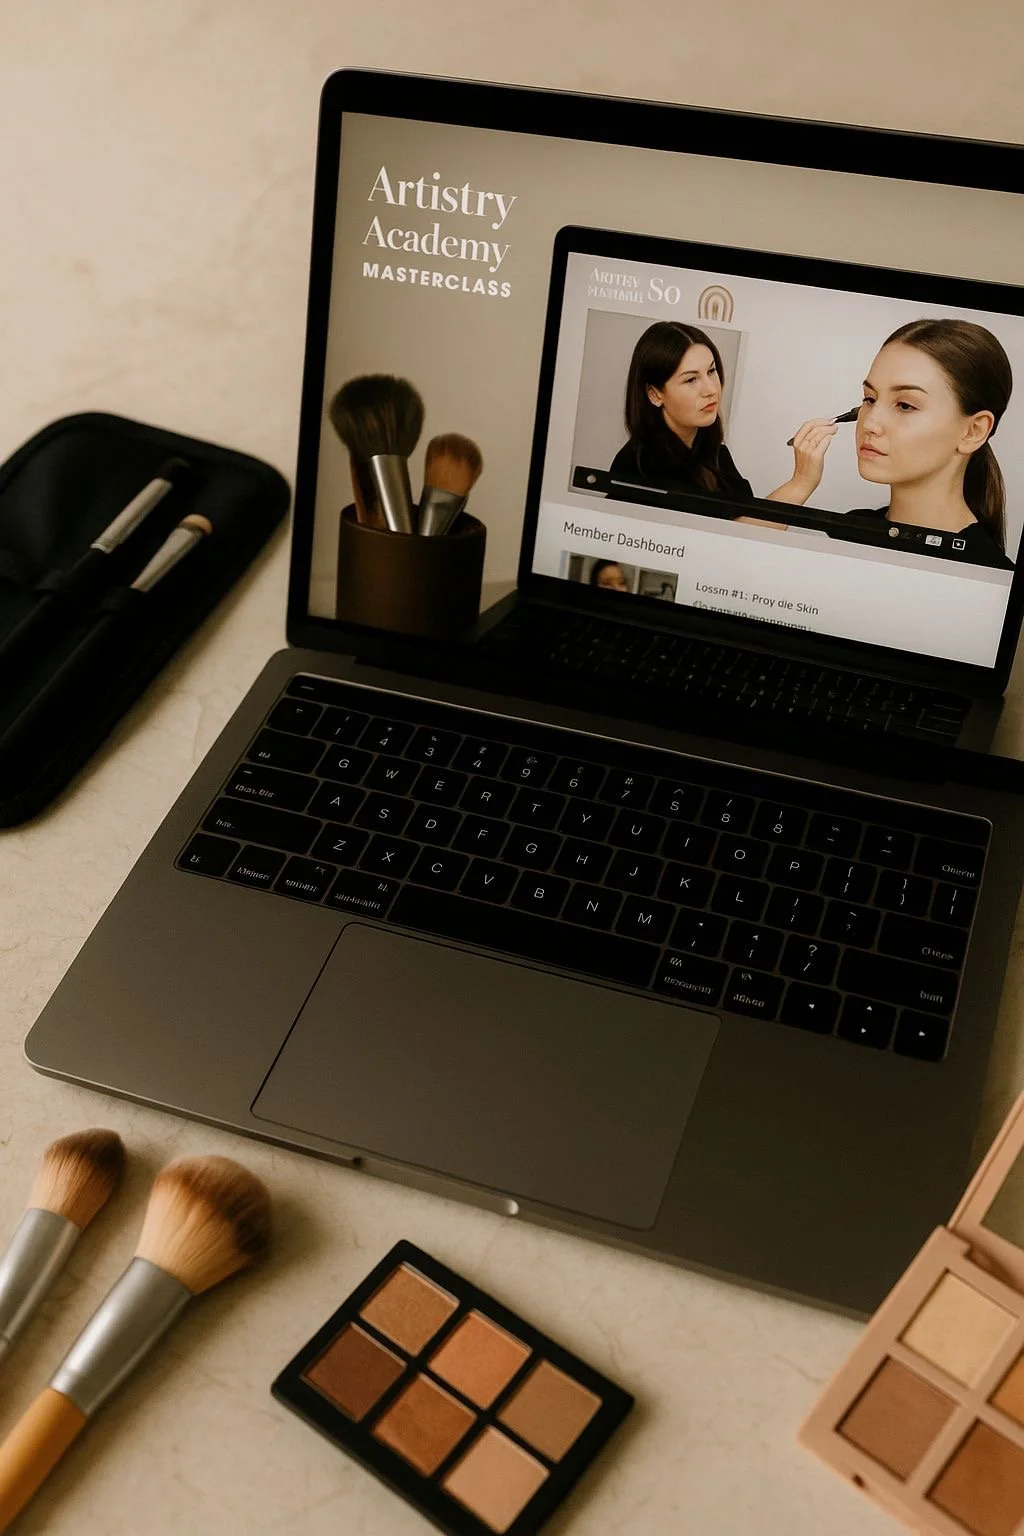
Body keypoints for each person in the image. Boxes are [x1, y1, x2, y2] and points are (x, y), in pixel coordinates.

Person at [608, 320, 837, 519]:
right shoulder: (639, 467)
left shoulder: (716, 455)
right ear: (655, 394)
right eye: (690, 380)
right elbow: (735, 537)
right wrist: (802, 481)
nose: (711, 390)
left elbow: (746, 518)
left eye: (711, 371)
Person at [847, 318, 1014, 569]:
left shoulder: (995, 581)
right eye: (870, 399)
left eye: (905, 405)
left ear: (973, 431)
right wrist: (798, 487)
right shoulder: (848, 532)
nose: (869, 422)